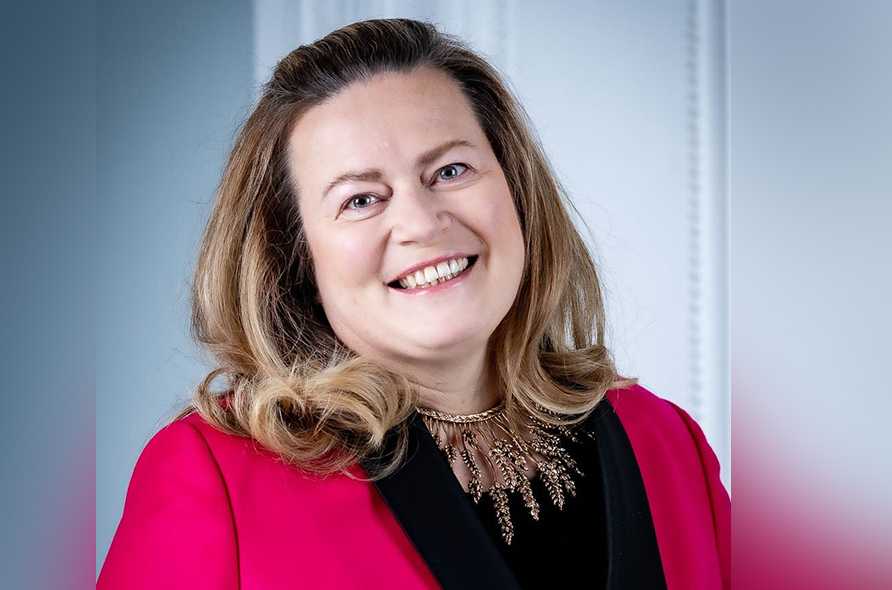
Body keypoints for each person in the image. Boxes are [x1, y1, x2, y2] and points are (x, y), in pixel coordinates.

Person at [97, 18, 730, 590]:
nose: (422, 224)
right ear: (295, 259)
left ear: (516, 191)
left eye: (451, 171)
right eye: (360, 199)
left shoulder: (668, 445)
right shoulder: (215, 478)